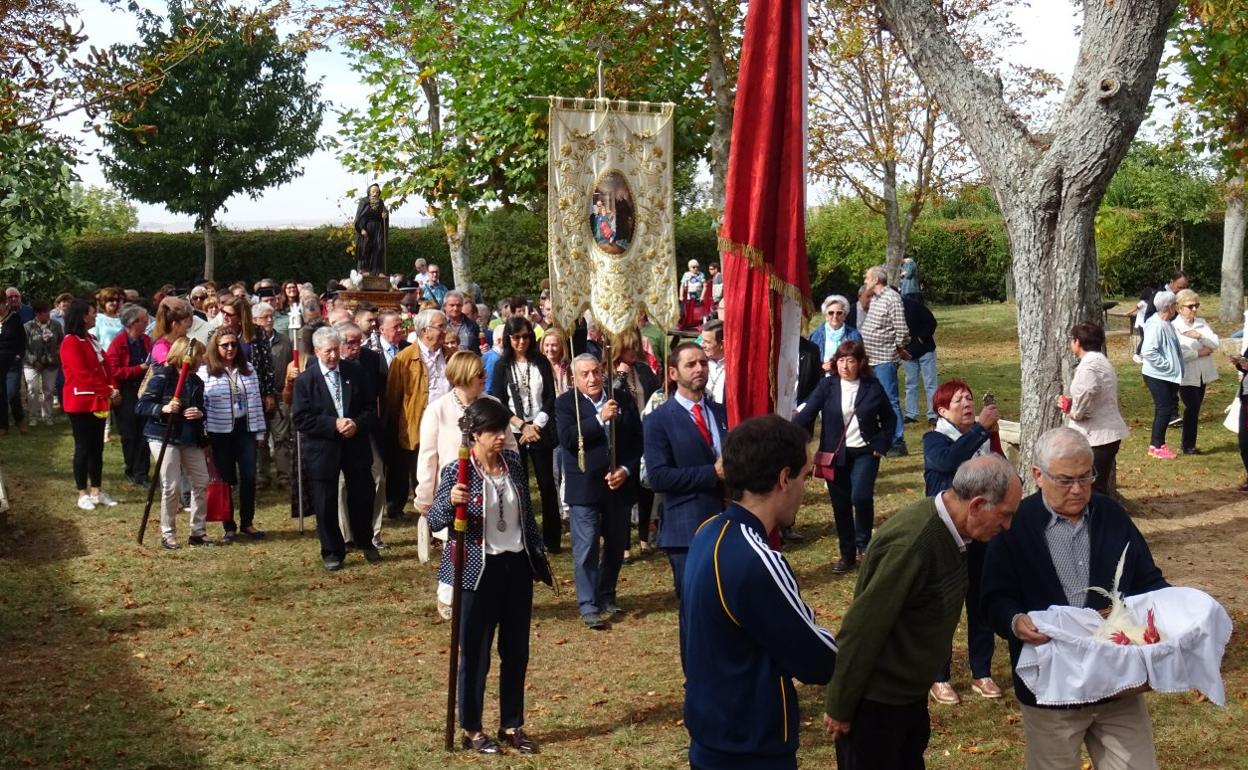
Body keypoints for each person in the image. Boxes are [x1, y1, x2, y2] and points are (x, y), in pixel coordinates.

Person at [982, 427, 1168, 770]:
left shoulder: (1111, 515)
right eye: (1066, 480)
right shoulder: (1015, 524)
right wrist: (1015, 622)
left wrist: (1174, 610)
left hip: (1117, 682)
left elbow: (1148, 580)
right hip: (1051, 687)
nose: (1079, 489)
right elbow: (994, 598)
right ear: (1038, 475)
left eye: (1087, 477)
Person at [824, 455, 1023, 769]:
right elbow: (862, 630)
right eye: (1005, 515)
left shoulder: (958, 535)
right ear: (977, 505)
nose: (1008, 525)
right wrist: (839, 706)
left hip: (908, 699)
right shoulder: (913, 546)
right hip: (876, 707)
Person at [683, 414, 838, 770]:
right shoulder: (756, 558)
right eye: (804, 477)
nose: (805, 487)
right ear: (784, 478)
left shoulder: (708, 532)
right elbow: (819, 660)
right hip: (749, 748)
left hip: (712, 733)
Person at [428, 397, 549, 755]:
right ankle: (472, 727)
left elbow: (525, 514)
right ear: (476, 435)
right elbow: (435, 520)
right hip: (476, 571)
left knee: (516, 651)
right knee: (476, 653)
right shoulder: (458, 470)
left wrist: (537, 554)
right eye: (494, 432)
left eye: (503, 430)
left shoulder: (512, 463)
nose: (501, 437)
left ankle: (512, 723)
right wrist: (450, 500)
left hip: (515, 567)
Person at [921, 378, 1004, 705]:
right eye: (959, 401)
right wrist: (980, 430)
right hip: (948, 535)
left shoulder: (982, 439)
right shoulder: (934, 440)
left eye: (969, 398)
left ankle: (981, 672)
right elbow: (949, 462)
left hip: (982, 532)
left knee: (980, 602)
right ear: (942, 410)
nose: (968, 404)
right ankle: (938, 676)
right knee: (946, 608)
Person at [417, 352, 517, 613]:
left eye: (484, 373)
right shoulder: (438, 410)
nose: (485, 378)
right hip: (454, 490)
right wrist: (425, 497)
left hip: (491, 486)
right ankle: (448, 594)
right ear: (462, 377)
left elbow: (510, 447)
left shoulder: (492, 404)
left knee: (484, 542)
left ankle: (485, 592)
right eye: (479, 374)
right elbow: (428, 456)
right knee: (456, 543)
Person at [555, 353, 643, 629]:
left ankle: (606, 593)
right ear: (574, 379)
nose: (592, 378)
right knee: (587, 546)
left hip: (617, 484)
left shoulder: (621, 398)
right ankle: (588, 603)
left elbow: (636, 440)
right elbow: (568, 439)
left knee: (616, 544)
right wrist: (598, 418)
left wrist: (626, 470)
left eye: (595, 372)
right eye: (585, 374)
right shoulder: (566, 404)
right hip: (585, 487)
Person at [793, 340, 896, 574]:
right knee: (840, 505)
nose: (845, 366)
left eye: (850, 361)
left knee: (860, 497)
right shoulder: (827, 386)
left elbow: (889, 418)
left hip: (866, 452)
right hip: (835, 454)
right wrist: (786, 430)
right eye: (841, 360)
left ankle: (865, 546)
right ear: (835, 363)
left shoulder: (872, 386)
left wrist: (882, 443)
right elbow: (807, 414)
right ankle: (846, 554)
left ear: (860, 363)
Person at [643, 343, 728, 602]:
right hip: (686, 529)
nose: (699, 369)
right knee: (695, 608)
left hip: (726, 524)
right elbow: (658, 477)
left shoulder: (720, 412)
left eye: (703, 363)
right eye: (690, 364)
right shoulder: (658, 420)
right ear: (672, 373)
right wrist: (711, 473)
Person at [293, 326, 380, 570]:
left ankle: (365, 540)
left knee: (362, 496)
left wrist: (356, 424)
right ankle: (332, 550)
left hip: (355, 445)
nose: (333, 356)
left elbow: (371, 408)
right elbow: (301, 419)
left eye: (336, 350)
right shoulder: (305, 381)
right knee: (325, 501)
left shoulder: (356, 372)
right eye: (327, 351)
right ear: (317, 351)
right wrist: (333, 424)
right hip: (323, 449)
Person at [490, 316, 561, 553]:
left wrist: (536, 425)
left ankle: (552, 539)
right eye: (516, 337)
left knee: (546, 484)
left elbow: (550, 397)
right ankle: (522, 536)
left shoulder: (540, 362)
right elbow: (498, 400)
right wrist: (521, 424)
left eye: (526, 337)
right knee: (517, 485)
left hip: (539, 428)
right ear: (509, 339)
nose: (521, 342)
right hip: (514, 430)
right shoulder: (502, 365)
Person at [136, 337, 211, 549]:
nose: (201, 361)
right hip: (163, 435)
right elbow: (142, 406)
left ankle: (198, 532)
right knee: (172, 485)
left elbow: (200, 409)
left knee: (201, 480)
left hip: (189, 436)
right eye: (198, 356)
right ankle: (168, 534)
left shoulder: (197, 382)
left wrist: (199, 413)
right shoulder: (163, 376)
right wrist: (163, 409)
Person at [199, 327, 266, 542]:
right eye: (225, 345)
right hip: (220, 432)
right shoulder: (205, 372)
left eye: (233, 344)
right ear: (215, 348)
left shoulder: (249, 369)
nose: (230, 349)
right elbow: (204, 406)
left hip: (245, 428)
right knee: (226, 478)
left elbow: (256, 403)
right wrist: (205, 436)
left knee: (249, 476)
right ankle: (229, 525)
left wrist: (260, 433)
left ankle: (248, 522)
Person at [383, 308, 448, 520]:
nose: (445, 331)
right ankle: (425, 516)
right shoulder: (403, 360)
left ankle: (443, 512)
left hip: (447, 425)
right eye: (440, 327)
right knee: (422, 475)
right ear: (424, 331)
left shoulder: (451, 356)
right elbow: (393, 398)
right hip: (416, 427)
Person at [60, 298, 120, 510]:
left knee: (97, 448)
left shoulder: (91, 339)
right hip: (81, 402)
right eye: (92, 313)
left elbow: (105, 367)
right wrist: (108, 391)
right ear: (83, 316)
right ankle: (82, 492)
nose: (95, 316)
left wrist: (113, 387)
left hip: (98, 400)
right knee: (83, 447)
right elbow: (82, 374)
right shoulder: (70, 342)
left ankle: (97, 490)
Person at [334, 322, 388, 550]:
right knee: (342, 484)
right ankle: (346, 536)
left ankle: (372, 532)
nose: (356, 347)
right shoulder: (327, 363)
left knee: (378, 479)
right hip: (337, 432)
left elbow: (377, 396)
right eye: (350, 343)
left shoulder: (371, 360)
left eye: (359, 342)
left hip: (365, 428)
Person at [1059, 322, 1129, 494]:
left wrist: (1072, 410)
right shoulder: (1101, 361)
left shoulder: (1089, 367)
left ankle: (1096, 520)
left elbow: (1087, 393)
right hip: (1103, 434)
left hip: (1097, 437)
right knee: (1094, 486)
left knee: (1092, 488)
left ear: (1077, 342)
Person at [609, 329, 659, 561]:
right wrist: (620, 376)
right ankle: (625, 544)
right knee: (625, 491)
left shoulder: (643, 370)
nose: (634, 351)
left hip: (645, 432)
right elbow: (610, 398)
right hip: (621, 437)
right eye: (629, 347)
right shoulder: (608, 373)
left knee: (645, 487)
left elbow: (657, 393)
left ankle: (644, 538)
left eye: (636, 346)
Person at [859, 265, 910, 456]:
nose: (865, 281)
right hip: (870, 359)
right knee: (873, 399)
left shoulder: (892, 298)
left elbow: (902, 330)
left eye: (867, 278)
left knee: (890, 399)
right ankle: (879, 437)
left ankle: (898, 441)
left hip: (885, 358)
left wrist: (898, 348)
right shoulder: (876, 298)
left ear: (876, 280)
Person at [105, 304, 153, 487]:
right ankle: (131, 469)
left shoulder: (146, 341)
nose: (147, 322)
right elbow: (114, 371)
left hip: (144, 392)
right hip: (126, 393)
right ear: (133, 323)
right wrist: (137, 369)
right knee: (130, 434)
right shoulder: (118, 344)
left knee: (145, 432)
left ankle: (142, 472)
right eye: (143, 320)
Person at [1170, 288, 1218, 454]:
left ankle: (1189, 443)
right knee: (1192, 407)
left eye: (1196, 305)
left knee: (1195, 408)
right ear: (1179, 308)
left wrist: (1199, 336)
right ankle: (1188, 444)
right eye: (1190, 306)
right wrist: (1200, 352)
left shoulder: (1202, 323)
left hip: (1202, 374)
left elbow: (1215, 343)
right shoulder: (1174, 327)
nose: (1194, 309)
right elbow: (1180, 353)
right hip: (1186, 375)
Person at [253, 302, 294, 487]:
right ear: (255, 320)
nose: (270, 320)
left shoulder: (284, 340)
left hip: (280, 395)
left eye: (272, 316)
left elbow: (292, 364)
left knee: (281, 437)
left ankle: (284, 475)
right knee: (260, 438)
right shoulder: (251, 342)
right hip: (257, 397)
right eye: (265, 317)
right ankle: (263, 475)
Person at [1140, 290, 1184, 459]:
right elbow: (1148, 351)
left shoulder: (1166, 323)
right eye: (1175, 305)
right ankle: (1156, 446)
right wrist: (1167, 365)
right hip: (1157, 375)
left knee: (1163, 410)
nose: (1176, 308)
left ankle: (1158, 443)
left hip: (1166, 375)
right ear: (1169, 307)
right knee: (1165, 409)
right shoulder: (1156, 324)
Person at [901, 292, 939, 427]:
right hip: (908, 352)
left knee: (930, 383)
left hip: (925, 350)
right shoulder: (890, 312)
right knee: (910, 383)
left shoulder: (915, 307)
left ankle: (933, 414)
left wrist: (921, 338)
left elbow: (932, 323)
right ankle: (911, 414)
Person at [23, 300, 63, 426]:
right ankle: (33, 415)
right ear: (37, 314)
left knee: (49, 390)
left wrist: (52, 356)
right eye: (44, 312)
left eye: (48, 311)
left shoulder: (56, 325)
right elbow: (23, 347)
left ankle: (47, 415)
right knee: (32, 389)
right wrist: (34, 360)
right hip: (31, 364)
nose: (47, 314)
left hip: (51, 363)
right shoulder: (28, 326)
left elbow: (61, 343)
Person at [809, 294, 862, 373]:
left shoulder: (854, 335)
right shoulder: (816, 335)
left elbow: (860, 360)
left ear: (845, 316)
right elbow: (810, 363)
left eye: (839, 313)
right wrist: (821, 367)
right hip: (823, 378)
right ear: (826, 316)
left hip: (847, 377)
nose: (835, 316)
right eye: (831, 313)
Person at [0, 292, 27, 434]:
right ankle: (3, 425)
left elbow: (22, 339)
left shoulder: (14, 319)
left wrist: (19, 355)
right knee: (1, 393)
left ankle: (20, 420)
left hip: (12, 362)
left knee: (12, 391)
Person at [354, 182, 389, 274]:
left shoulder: (380, 202)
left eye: (377, 192)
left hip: (378, 229)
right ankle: (364, 269)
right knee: (365, 248)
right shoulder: (364, 201)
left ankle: (376, 270)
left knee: (378, 248)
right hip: (367, 228)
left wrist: (384, 216)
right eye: (373, 192)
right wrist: (361, 229)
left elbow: (384, 214)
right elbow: (360, 216)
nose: (375, 194)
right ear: (369, 192)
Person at [151, 297, 194, 366]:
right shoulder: (161, 347)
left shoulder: (181, 342)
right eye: (185, 321)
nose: (189, 324)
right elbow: (171, 368)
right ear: (175, 324)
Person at [91, 287, 126, 351]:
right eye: (111, 300)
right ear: (104, 301)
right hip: (104, 355)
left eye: (117, 300)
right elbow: (93, 340)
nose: (115, 303)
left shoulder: (123, 319)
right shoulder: (98, 318)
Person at [701, 318, 726, 403]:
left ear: (721, 344)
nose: (702, 345)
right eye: (702, 340)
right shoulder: (699, 362)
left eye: (707, 342)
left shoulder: (733, 366)